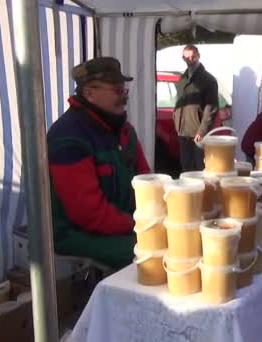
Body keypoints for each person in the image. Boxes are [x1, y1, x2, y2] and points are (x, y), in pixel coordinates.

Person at [47, 57, 151, 268]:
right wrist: (140, 225)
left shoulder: (125, 131)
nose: (124, 97)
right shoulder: (68, 137)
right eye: (117, 91)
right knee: (151, 253)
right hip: (77, 235)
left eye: (124, 91)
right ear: (89, 93)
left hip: (124, 226)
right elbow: (88, 214)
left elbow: (147, 182)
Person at [174, 44, 219, 172]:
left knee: (201, 169)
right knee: (186, 169)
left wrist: (202, 130)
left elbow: (211, 108)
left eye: (193, 57)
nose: (190, 60)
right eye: (187, 58)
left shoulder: (208, 80)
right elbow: (179, 102)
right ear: (183, 59)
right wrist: (176, 120)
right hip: (183, 132)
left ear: (198, 56)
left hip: (198, 134)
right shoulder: (182, 79)